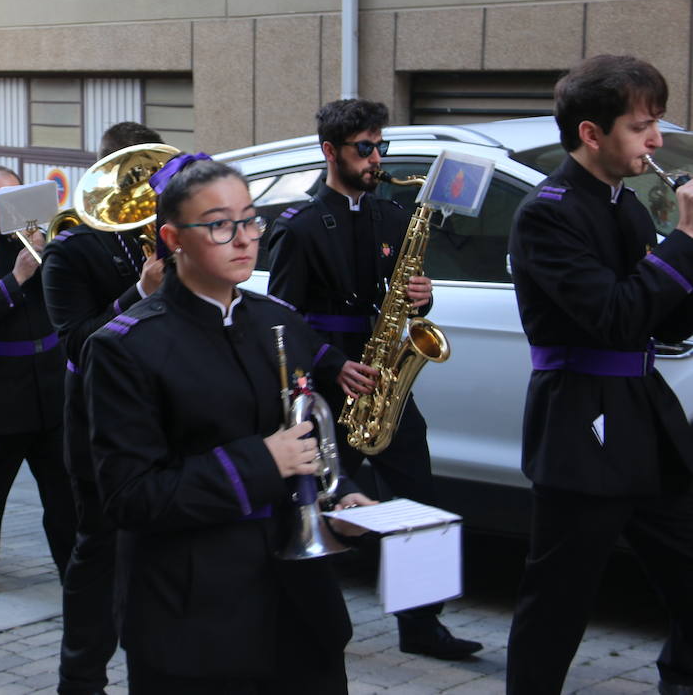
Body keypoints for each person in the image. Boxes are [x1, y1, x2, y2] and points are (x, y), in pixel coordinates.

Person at [86, 154, 367, 693]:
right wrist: (262, 462)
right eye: (218, 225)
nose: (242, 239)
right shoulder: (125, 348)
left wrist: (342, 498)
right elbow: (130, 497)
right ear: (172, 239)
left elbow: (307, 439)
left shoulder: (278, 320)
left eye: (250, 220)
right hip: (195, 616)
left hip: (300, 608)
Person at [266, 98, 481, 660]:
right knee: (312, 506)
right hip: (332, 385)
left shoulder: (390, 216)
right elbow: (282, 321)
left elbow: (400, 300)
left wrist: (420, 300)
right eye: (364, 148)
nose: (375, 158)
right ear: (329, 151)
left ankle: (422, 625)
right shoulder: (300, 226)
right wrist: (335, 364)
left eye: (379, 146)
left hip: (386, 378)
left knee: (420, 500)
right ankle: (294, 617)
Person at [506, 55, 693, 695]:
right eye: (643, 127)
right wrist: (686, 240)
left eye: (657, 125)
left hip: (644, 416)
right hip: (583, 422)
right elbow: (613, 318)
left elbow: (663, 325)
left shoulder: (630, 207)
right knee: (558, 603)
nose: (657, 141)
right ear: (592, 133)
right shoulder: (548, 213)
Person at [40, 120, 166, 695]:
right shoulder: (70, 247)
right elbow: (75, 340)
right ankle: (81, 677)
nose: (147, 192)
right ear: (108, 177)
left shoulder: (166, 232)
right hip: (94, 412)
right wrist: (138, 293)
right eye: (138, 179)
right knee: (99, 548)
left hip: (160, 403)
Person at [0, 166, 75, 594]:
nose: (3, 209)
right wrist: (18, 276)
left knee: (63, 488)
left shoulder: (45, 241)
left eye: (12, 198)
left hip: (48, 383)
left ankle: (72, 567)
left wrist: (51, 256)